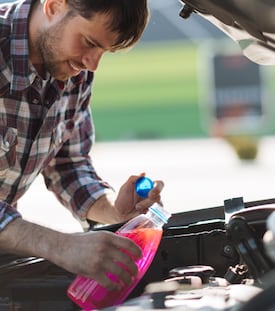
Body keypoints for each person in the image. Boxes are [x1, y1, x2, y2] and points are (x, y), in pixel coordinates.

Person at [0, 0, 164, 291]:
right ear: (54, 6)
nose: (92, 64)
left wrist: (114, 211)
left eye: (104, 51)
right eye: (89, 42)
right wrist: (60, 246)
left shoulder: (74, 69)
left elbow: (68, 165)